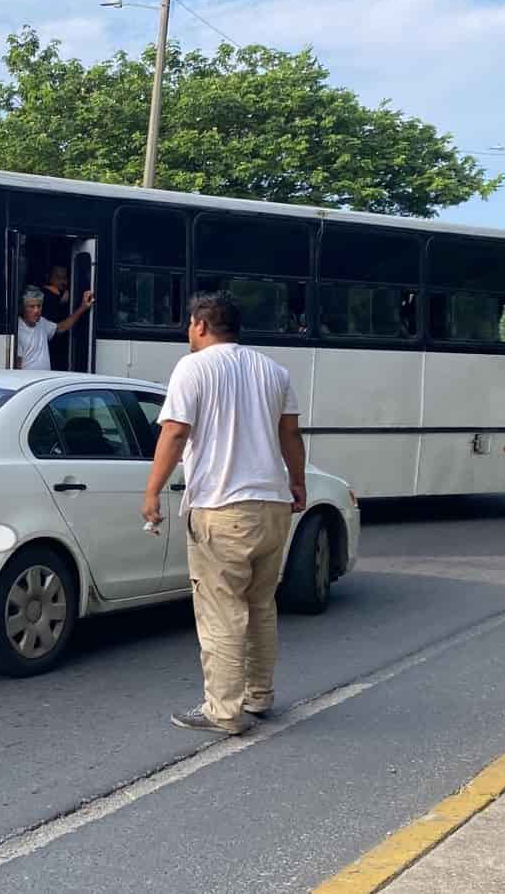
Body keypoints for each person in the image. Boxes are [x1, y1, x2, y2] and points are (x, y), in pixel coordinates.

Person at [141, 294, 307, 735]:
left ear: (199, 325)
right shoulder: (275, 371)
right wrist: (297, 483)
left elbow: (175, 432)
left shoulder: (192, 368)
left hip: (221, 506)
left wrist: (152, 492)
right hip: (272, 506)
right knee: (260, 605)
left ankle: (223, 711)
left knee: (221, 611)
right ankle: (259, 695)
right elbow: (290, 433)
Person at [15, 289, 94, 370]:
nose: (36, 310)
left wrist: (83, 307)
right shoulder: (17, 329)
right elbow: (17, 365)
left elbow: (62, 327)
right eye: (32, 306)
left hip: (45, 379)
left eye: (39, 306)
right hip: (30, 380)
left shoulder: (42, 322)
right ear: (23, 308)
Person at [39, 265, 74, 369]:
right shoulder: (46, 294)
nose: (62, 282)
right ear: (49, 278)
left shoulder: (68, 292)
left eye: (65, 278)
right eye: (58, 278)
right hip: (50, 348)